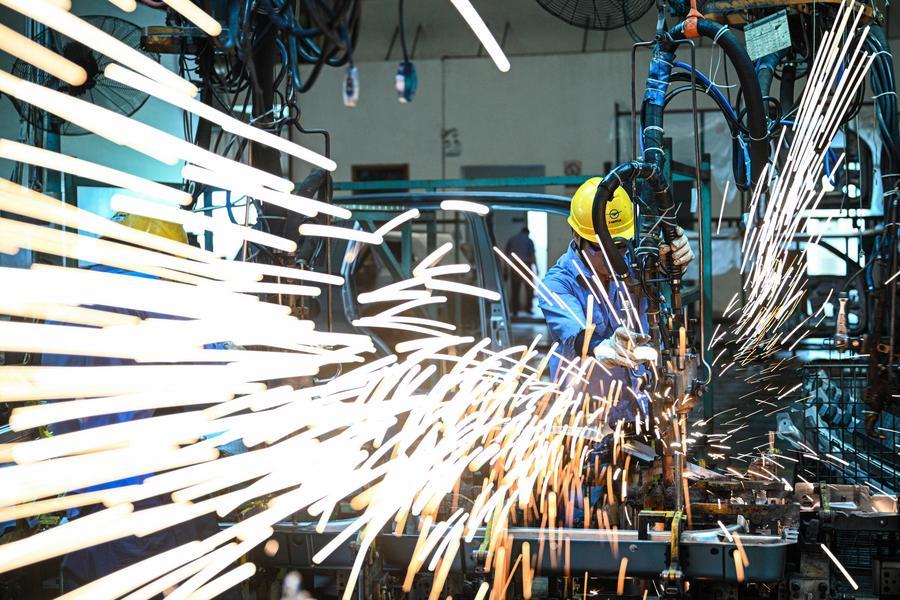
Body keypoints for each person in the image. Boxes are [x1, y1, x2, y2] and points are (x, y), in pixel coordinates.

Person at [41, 213, 239, 597]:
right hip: (150, 500)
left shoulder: (71, 296)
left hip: (87, 500)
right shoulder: (158, 294)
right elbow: (221, 370)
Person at [539, 177, 693, 427]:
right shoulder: (558, 284)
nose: (612, 256)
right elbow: (575, 335)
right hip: (587, 421)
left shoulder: (636, 265)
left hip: (641, 411)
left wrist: (675, 257)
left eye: (619, 245)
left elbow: (663, 273)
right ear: (576, 237)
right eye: (600, 246)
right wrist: (601, 346)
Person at [504, 226, 537, 316]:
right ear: (527, 233)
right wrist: (536, 268)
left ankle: (515, 310)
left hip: (515, 266)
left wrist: (505, 269)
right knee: (529, 289)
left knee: (515, 289)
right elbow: (533, 255)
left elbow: (506, 255)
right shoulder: (529, 241)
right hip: (526, 265)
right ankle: (528, 308)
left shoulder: (512, 239)